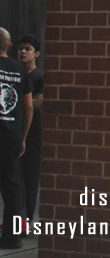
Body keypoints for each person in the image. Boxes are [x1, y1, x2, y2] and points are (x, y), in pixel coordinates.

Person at [0, 28, 32, 250]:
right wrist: (23, 137)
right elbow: (28, 106)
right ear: (10, 46)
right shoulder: (19, 71)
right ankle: (12, 238)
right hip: (11, 138)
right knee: (12, 190)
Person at [16, 35, 42, 225]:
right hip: (14, 133)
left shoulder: (39, 77)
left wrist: (20, 103)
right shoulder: (15, 74)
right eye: (20, 49)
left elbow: (38, 103)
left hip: (33, 135)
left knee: (30, 179)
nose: (22, 52)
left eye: (27, 49)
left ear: (36, 54)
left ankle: (26, 219)